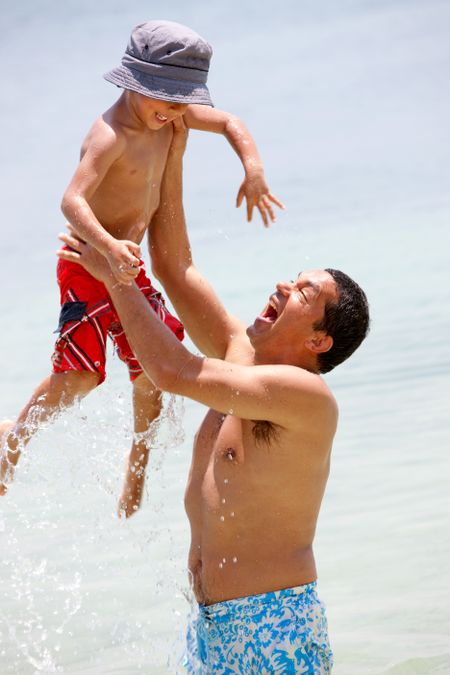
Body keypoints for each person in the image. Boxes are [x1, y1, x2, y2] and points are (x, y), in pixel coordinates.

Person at [55, 119, 370, 673]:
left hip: (273, 624)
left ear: (319, 339)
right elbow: (175, 266)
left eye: (303, 292)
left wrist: (114, 277)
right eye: (293, 278)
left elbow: (173, 371)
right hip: (209, 629)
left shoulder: (306, 397)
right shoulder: (237, 355)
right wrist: (175, 143)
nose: (282, 285)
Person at [0, 20, 283, 515]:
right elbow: (71, 201)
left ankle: (139, 458)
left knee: (154, 365)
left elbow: (230, 123)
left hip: (125, 268)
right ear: (134, 83)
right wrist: (108, 246)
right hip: (89, 262)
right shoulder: (109, 135)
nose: (175, 112)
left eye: (181, 102)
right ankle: (14, 437)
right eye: (166, 100)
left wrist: (253, 168)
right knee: (80, 378)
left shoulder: (169, 116)